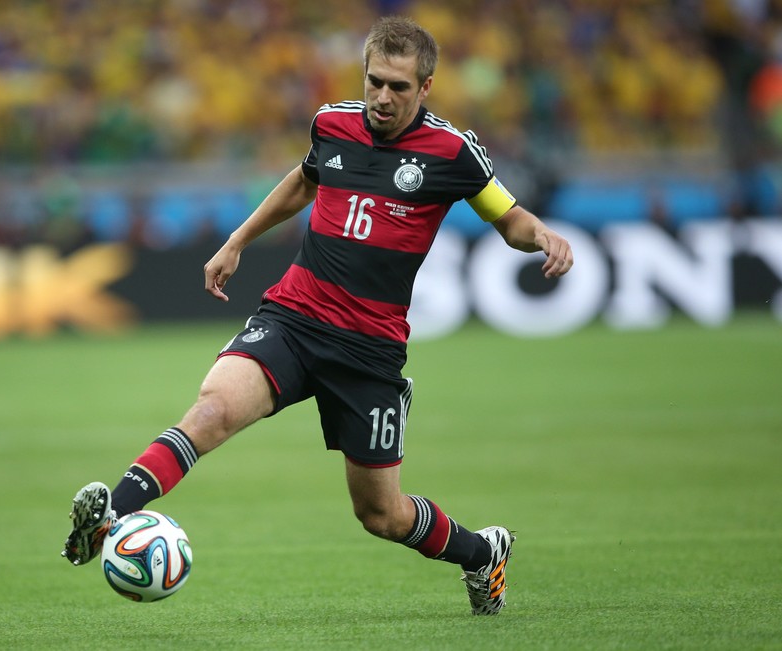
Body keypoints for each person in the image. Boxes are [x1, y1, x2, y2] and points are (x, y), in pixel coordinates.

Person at [62, 15, 573, 616]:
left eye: (398, 87)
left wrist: (541, 235)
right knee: (212, 409)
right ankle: (114, 514)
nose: (382, 97)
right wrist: (238, 240)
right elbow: (304, 183)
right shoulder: (332, 125)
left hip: (368, 351)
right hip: (295, 318)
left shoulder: (452, 153)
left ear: (425, 88)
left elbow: (506, 215)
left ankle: (481, 553)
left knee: (380, 514)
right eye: (374, 81)